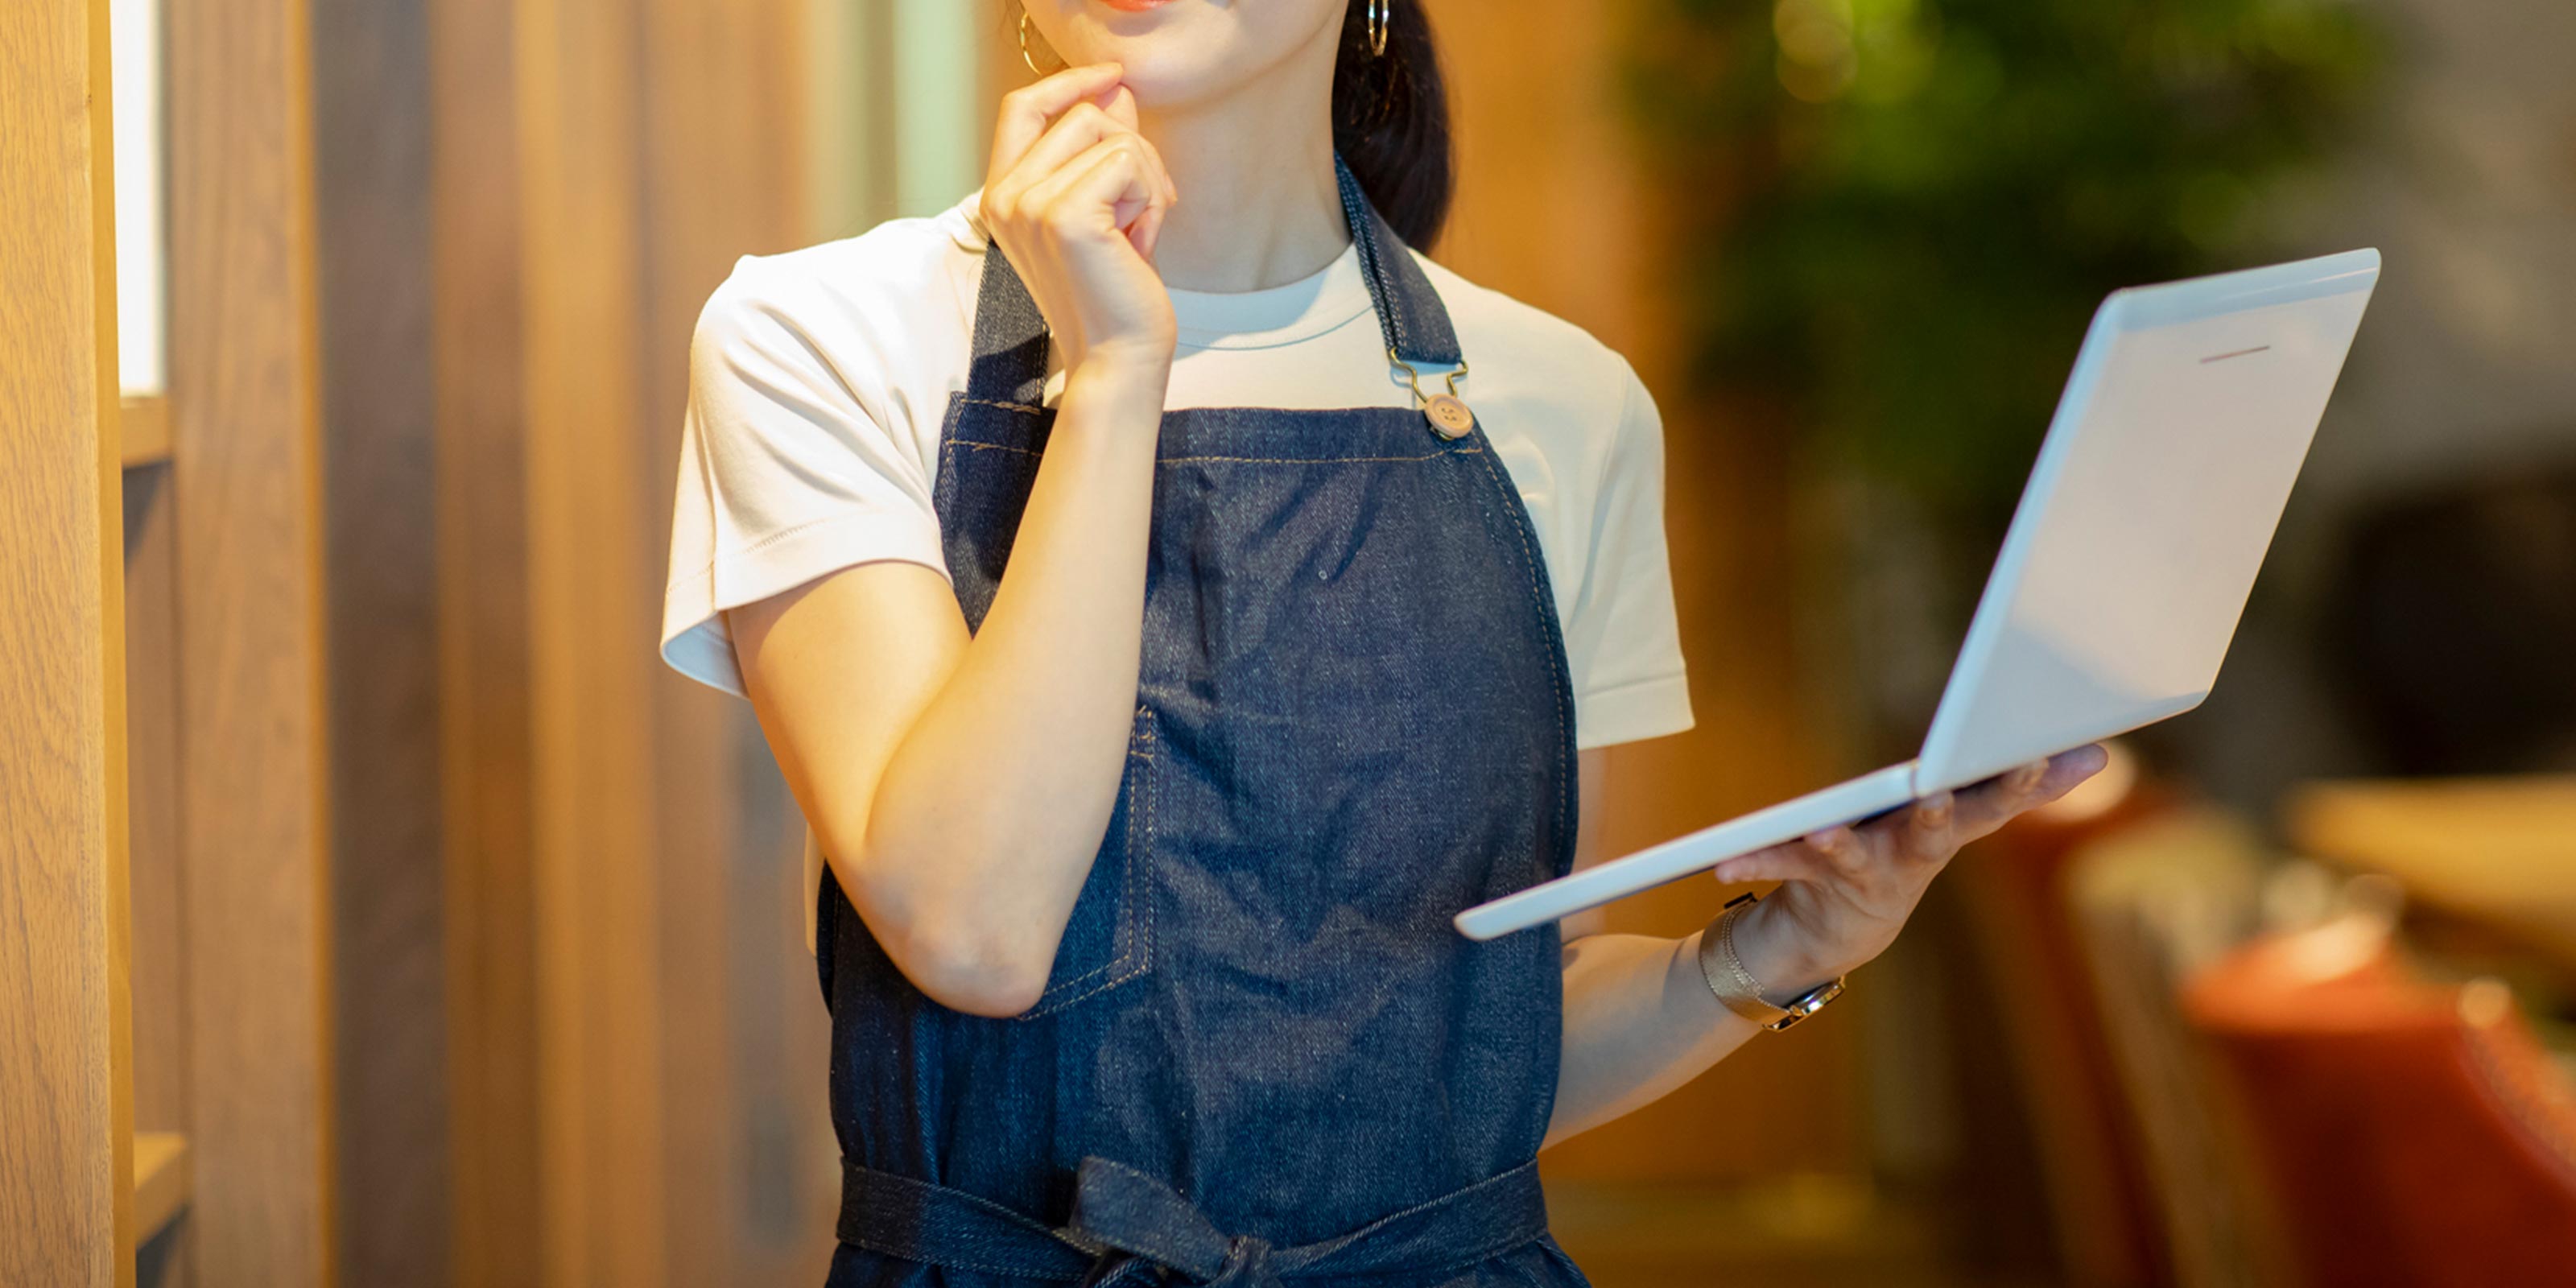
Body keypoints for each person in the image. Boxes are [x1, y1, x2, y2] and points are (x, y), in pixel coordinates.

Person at [657, 2, 2105, 1283]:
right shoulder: (818, 339)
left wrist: (1776, 949)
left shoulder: (1563, 403)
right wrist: (1113, 375)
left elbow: (1479, 1047)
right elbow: (972, 927)